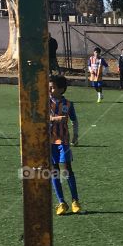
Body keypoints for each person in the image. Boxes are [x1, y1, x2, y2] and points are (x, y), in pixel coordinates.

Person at [48, 75, 81, 214]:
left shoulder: (68, 104)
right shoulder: (45, 103)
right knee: (54, 170)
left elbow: (74, 120)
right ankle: (61, 202)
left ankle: (75, 201)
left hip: (63, 141)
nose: (50, 89)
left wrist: (75, 135)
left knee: (67, 169)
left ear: (61, 89)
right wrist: (55, 119)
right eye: (49, 86)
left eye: (53, 87)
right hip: (49, 141)